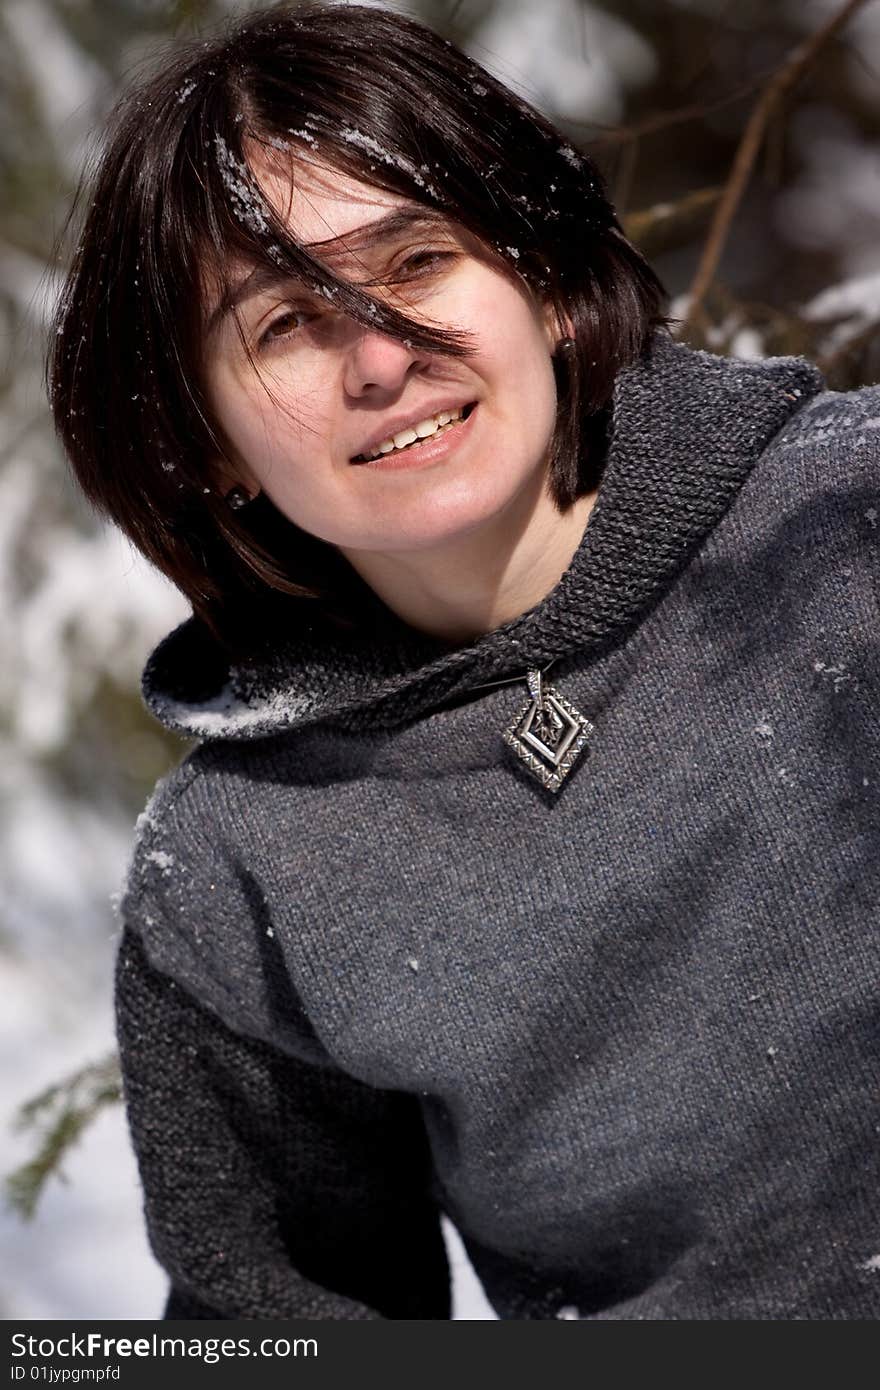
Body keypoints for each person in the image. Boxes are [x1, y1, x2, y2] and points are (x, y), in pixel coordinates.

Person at [48, 1, 879, 1321]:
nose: (380, 357)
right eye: (283, 328)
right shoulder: (240, 866)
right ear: (200, 436)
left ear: (543, 277)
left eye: (420, 260)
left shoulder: (848, 529)